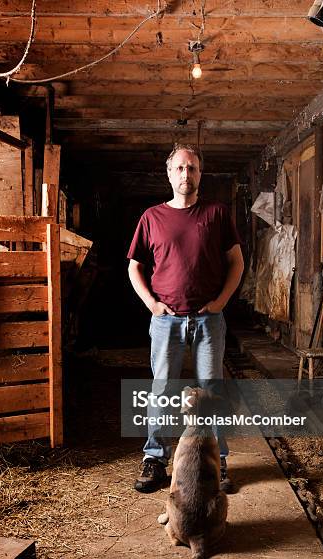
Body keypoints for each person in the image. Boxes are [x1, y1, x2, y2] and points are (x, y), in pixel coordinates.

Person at [127, 143, 244, 493]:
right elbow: (135, 268)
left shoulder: (217, 213)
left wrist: (222, 300)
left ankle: (216, 459)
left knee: (210, 390)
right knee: (162, 390)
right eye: (179, 168)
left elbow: (236, 262)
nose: (185, 174)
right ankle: (155, 460)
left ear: (200, 174)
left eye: (192, 168)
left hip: (208, 321)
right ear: (169, 173)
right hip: (166, 320)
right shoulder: (152, 217)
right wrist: (151, 303)